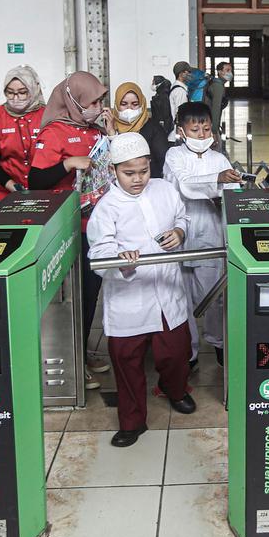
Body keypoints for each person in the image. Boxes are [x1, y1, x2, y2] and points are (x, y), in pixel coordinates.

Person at [88, 132, 195, 447]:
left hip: (167, 293)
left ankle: (175, 390)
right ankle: (132, 422)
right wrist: (121, 260)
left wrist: (179, 232)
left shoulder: (164, 190)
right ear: (114, 171)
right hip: (129, 299)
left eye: (144, 171)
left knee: (176, 352)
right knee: (127, 362)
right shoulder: (107, 208)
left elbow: (182, 216)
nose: (138, 179)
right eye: (129, 173)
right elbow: (98, 254)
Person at [28, 71, 114, 378]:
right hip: (68, 227)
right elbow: (36, 181)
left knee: (90, 293)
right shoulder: (54, 133)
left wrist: (111, 134)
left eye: (101, 100)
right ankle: (71, 359)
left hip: (95, 224)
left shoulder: (94, 129)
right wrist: (67, 164)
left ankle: (81, 351)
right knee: (72, 296)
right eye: (93, 102)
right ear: (74, 101)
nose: (98, 107)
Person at [163, 102, 242, 367]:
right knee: (181, 297)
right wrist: (217, 180)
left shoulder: (219, 159)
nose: (201, 135)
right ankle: (189, 350)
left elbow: (231, 193)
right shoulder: (174, 156)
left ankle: (218, 342)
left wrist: (228, 187)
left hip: (210, 229)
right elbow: (182, 184)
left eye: (206, 129)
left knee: (215, 295)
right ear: (181, 131)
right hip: (180, 230)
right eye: (195, 130)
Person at [0, 65, 46, 201]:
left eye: (22, 92)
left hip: (42, 192)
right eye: (10, 92)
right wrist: (12, 186)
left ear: (33, 90)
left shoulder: (47, 116)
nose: (16, 98)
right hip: (4, 193)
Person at [113, 80, 171, 178]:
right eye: (124, 104)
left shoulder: (154, 128)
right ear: (116, 105)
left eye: (135, 104)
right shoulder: (110, 126)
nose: (129, 108)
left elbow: (163, 160)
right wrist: (111, 135)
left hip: (149, 182)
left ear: (142, 104)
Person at [205, 62, 231, 138]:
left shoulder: (215, 83)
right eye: (227, 70)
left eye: (231, 70)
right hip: (210, 125)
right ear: (219, 72)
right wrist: (214, 131)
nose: (230, 73)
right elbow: (216, 109)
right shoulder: (218, 86)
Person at [169, 61, 192, 126]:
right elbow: (181, 113)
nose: (190, 74)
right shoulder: (180, 91)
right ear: (181, 74)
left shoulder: (177, 87)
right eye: (188, 72)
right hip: (181, 126)